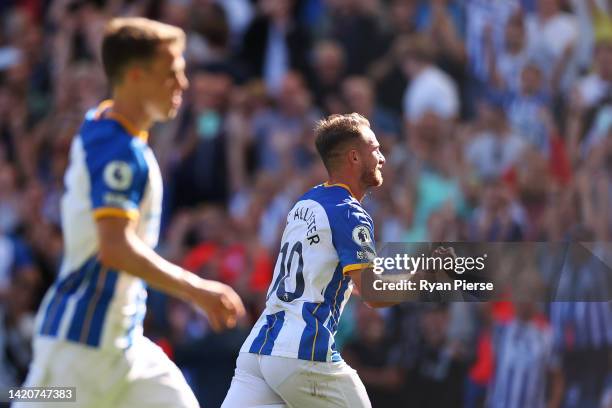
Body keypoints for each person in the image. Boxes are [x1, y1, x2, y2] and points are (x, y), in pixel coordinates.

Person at [15, 17, 245, 408]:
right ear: (136, 76)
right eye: (172, 72)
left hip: (125, 346)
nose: (183, 85)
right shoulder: (118, 150)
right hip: (80, 347)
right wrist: (197, 290)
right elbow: (115, 248)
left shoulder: (109, 128)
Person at [222, 113, 386, 407]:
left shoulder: (305, 202)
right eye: (375, 149)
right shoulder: (349, 212)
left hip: (259, 350)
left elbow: (356, 283)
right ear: (354, 157)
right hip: (303, 353)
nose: (382, 158)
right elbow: (374, 293)